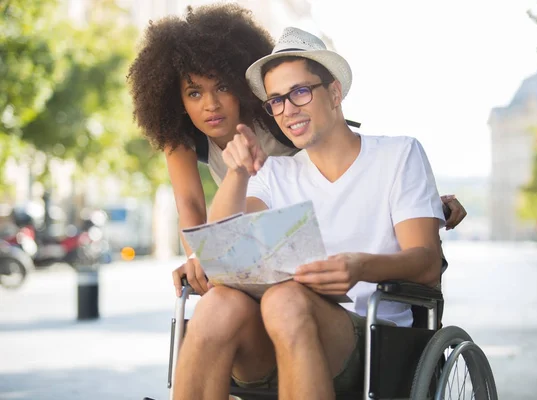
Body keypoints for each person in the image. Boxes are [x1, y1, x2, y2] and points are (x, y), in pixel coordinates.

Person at [173, 26, 450, 400]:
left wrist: (359, 266)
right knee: (218, 304)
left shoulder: (398, 155)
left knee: (285, 299)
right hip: (273, 337)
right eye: (276, 101)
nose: (288, 110)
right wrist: (237, 173)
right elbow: (223, 247)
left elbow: (427, 262)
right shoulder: (274, 172)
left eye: (300, 92)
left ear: (334, 93)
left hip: (369, 334)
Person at [126, 3, 467, 297]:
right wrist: (199, 259)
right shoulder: (181, 135)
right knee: (223, 305)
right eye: (195, 93)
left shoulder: (276, 114)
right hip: (263, 233)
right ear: (177, 99)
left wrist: (424, 201)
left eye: (223, 87)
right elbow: (191, 205)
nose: (211, 105)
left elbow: (346, 165)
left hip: (317, 237)